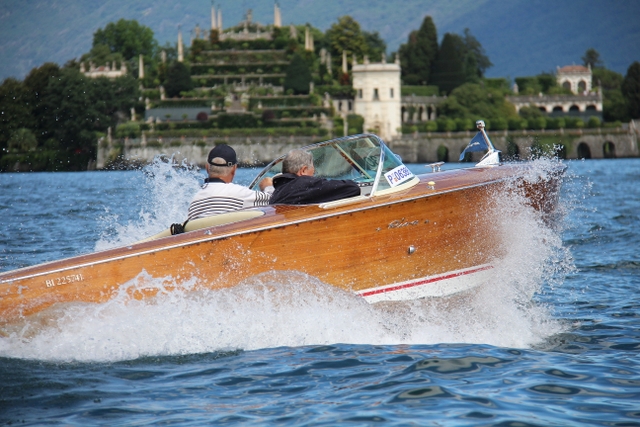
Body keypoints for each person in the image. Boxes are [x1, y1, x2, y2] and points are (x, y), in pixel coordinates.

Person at [187, 144, 273, 221]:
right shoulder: (240, 194)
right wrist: (268, 186)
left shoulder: (195, 202)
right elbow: (275, 201)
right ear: (234, 169)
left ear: (207, 168)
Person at [269, 149, 360, 205]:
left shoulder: (277, 192)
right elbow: (353, 188)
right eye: (313, 172)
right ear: (303, 171)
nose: (314, 175)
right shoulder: (304, 184)